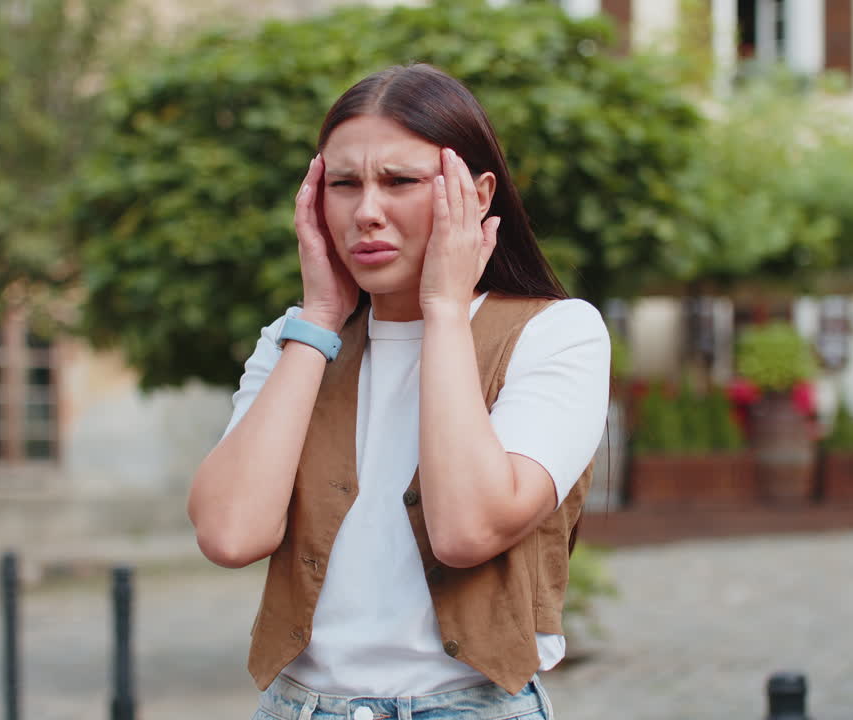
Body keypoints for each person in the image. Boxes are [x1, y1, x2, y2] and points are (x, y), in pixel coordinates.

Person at [187, 63, 610, 720]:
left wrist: (443, 310)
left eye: (401, 182)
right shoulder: (294, 341)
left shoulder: (556, 334)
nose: (367, 213)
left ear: (477, 193)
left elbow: (468, 529)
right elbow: (229, 534)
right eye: (344, 184)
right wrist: (320, 318)